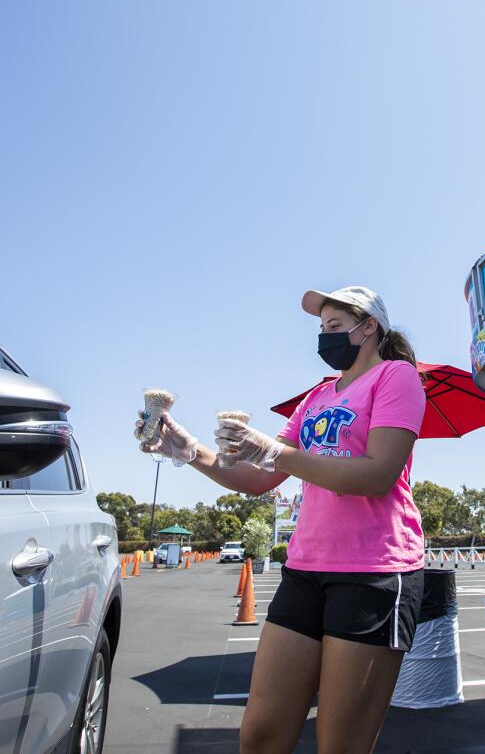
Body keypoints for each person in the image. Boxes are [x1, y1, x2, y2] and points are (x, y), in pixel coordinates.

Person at [136, 286, 428, 754]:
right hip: (306, 568)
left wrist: (278, 453)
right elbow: (256, 478)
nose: (325, 337)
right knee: (261, 733)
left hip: (374, 573)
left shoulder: (397, 378)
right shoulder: (315, 397)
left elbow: (378, 474)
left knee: (340, 744)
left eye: (335, 327)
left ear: (369, 327)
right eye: (321, 329)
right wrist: (188, 451)